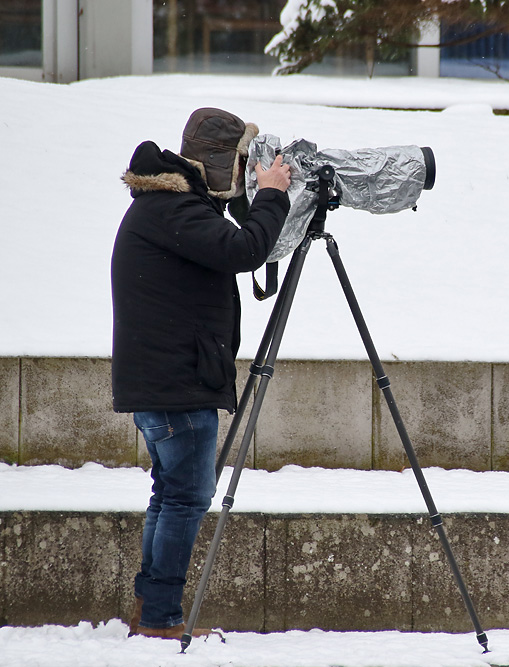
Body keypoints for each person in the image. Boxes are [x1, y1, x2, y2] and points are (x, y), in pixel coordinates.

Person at [111, 108, 291, 639]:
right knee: (185, 498)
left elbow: (230, 242)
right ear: (219, 163)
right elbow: (244, 249)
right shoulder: (174, 210)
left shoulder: (167, 206)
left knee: (170, 495)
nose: (245, 170)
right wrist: (273, 195)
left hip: (167, 382)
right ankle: (162, 615)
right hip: (177, 386)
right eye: (240, 162)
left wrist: (244, 198)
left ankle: (152, 607)